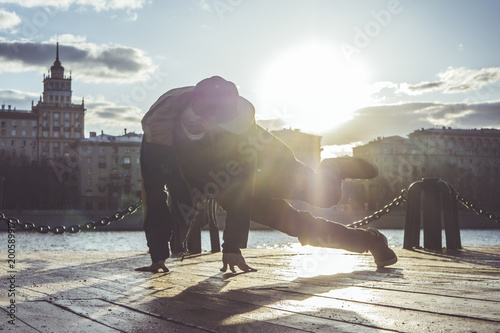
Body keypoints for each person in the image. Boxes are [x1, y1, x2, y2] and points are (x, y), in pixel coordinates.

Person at [136, 76, 397, 273]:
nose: (228, 130)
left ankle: (331, 168)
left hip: (272, 164)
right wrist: (157, 254)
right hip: (225, 185)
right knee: (296, 225)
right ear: (202, 120)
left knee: (326, 196)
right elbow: (155, 195)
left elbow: (243, 183)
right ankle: (370, 241)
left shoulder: (241, 135)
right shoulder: (158, 139)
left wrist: (232, 246)